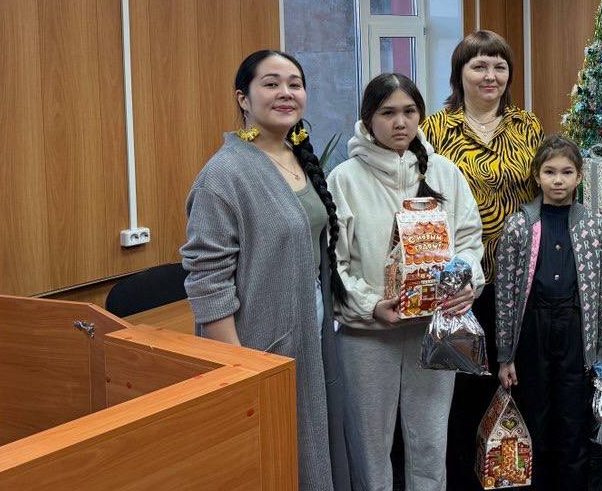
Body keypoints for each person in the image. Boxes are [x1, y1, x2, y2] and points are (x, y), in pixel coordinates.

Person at [181, 49, 353, 491]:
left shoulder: (296, 158)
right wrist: (239, 367)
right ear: (243, 98)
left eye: (295, 84)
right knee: (274, 459)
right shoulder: (224, 174)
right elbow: (207, 280)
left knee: (308, 448)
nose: (285, 93)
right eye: (271, 84)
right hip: (259, 344)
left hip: (310, 332)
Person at [326, 72, 483, 491]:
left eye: (409, 111)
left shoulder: (445, 173)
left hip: (433, 330)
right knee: (369, 445)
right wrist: (370, 305)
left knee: (430, 441)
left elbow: (470, 241)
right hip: (367, 335)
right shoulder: (344, 179)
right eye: (387, 112)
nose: (400, 122)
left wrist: (464, 282)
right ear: (368, 118)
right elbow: (333, 264)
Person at [421, 29, 542, 489]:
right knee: (462, 392)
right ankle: (461, 476)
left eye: (499, 66)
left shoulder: (526, 126)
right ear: (459, 73)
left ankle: (510, 472)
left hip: (519, 281)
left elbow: (543, 195)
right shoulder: (434, 130)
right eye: (479, 66)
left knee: (516, 382)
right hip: (460, 285)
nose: (490, 75)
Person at [494, 135, 602, 491]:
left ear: (579, 176)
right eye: (549, 172)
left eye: (566, 172)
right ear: (537, 175)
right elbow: (505, 295)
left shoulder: (594, 226)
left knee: (573, 418)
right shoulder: (519, 225)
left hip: (575, 330)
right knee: (535, 416)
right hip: (532, 330)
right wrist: (505, 356)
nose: (558, 180)